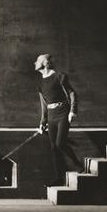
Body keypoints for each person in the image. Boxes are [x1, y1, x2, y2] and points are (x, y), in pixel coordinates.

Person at [35, 53, 84, 186]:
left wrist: (72, 110)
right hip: (51, 116)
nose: (35, 63)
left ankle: (78, 165)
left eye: (37, 60)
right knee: (54, 148)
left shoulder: (59, 76)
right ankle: (59, 178)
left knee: (60, 144)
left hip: (63, 113)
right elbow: (44, 105)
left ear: (45, 63)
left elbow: (72, 93)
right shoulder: (40, 83)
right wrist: (42, 123)